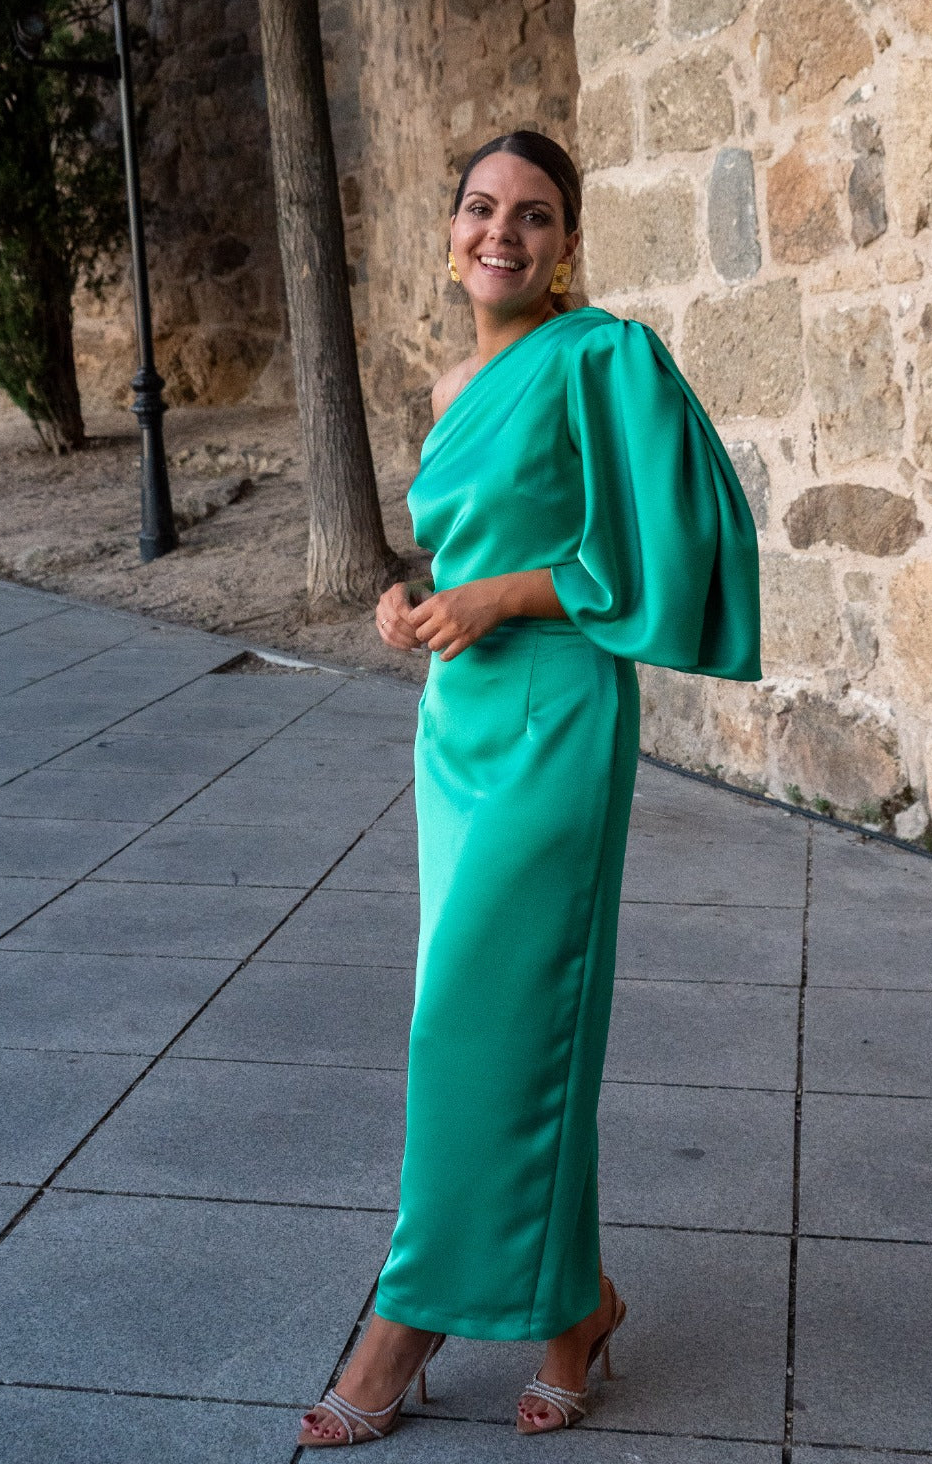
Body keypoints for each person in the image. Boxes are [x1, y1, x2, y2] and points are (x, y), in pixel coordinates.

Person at [297, 130, 761, 1447]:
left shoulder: (601, 357)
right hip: (459, 728)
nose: (502, 231)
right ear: (452, 231)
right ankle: (578, 1310)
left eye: (535, 213)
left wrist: (501, 596)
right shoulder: (452, 385)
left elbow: (663, 546)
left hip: (558, 715)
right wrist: (418, 602)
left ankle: (404, 1325)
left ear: (565, 243)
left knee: (471, 1022)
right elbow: (472, 548)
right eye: (480, 207)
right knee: (512, 1023)